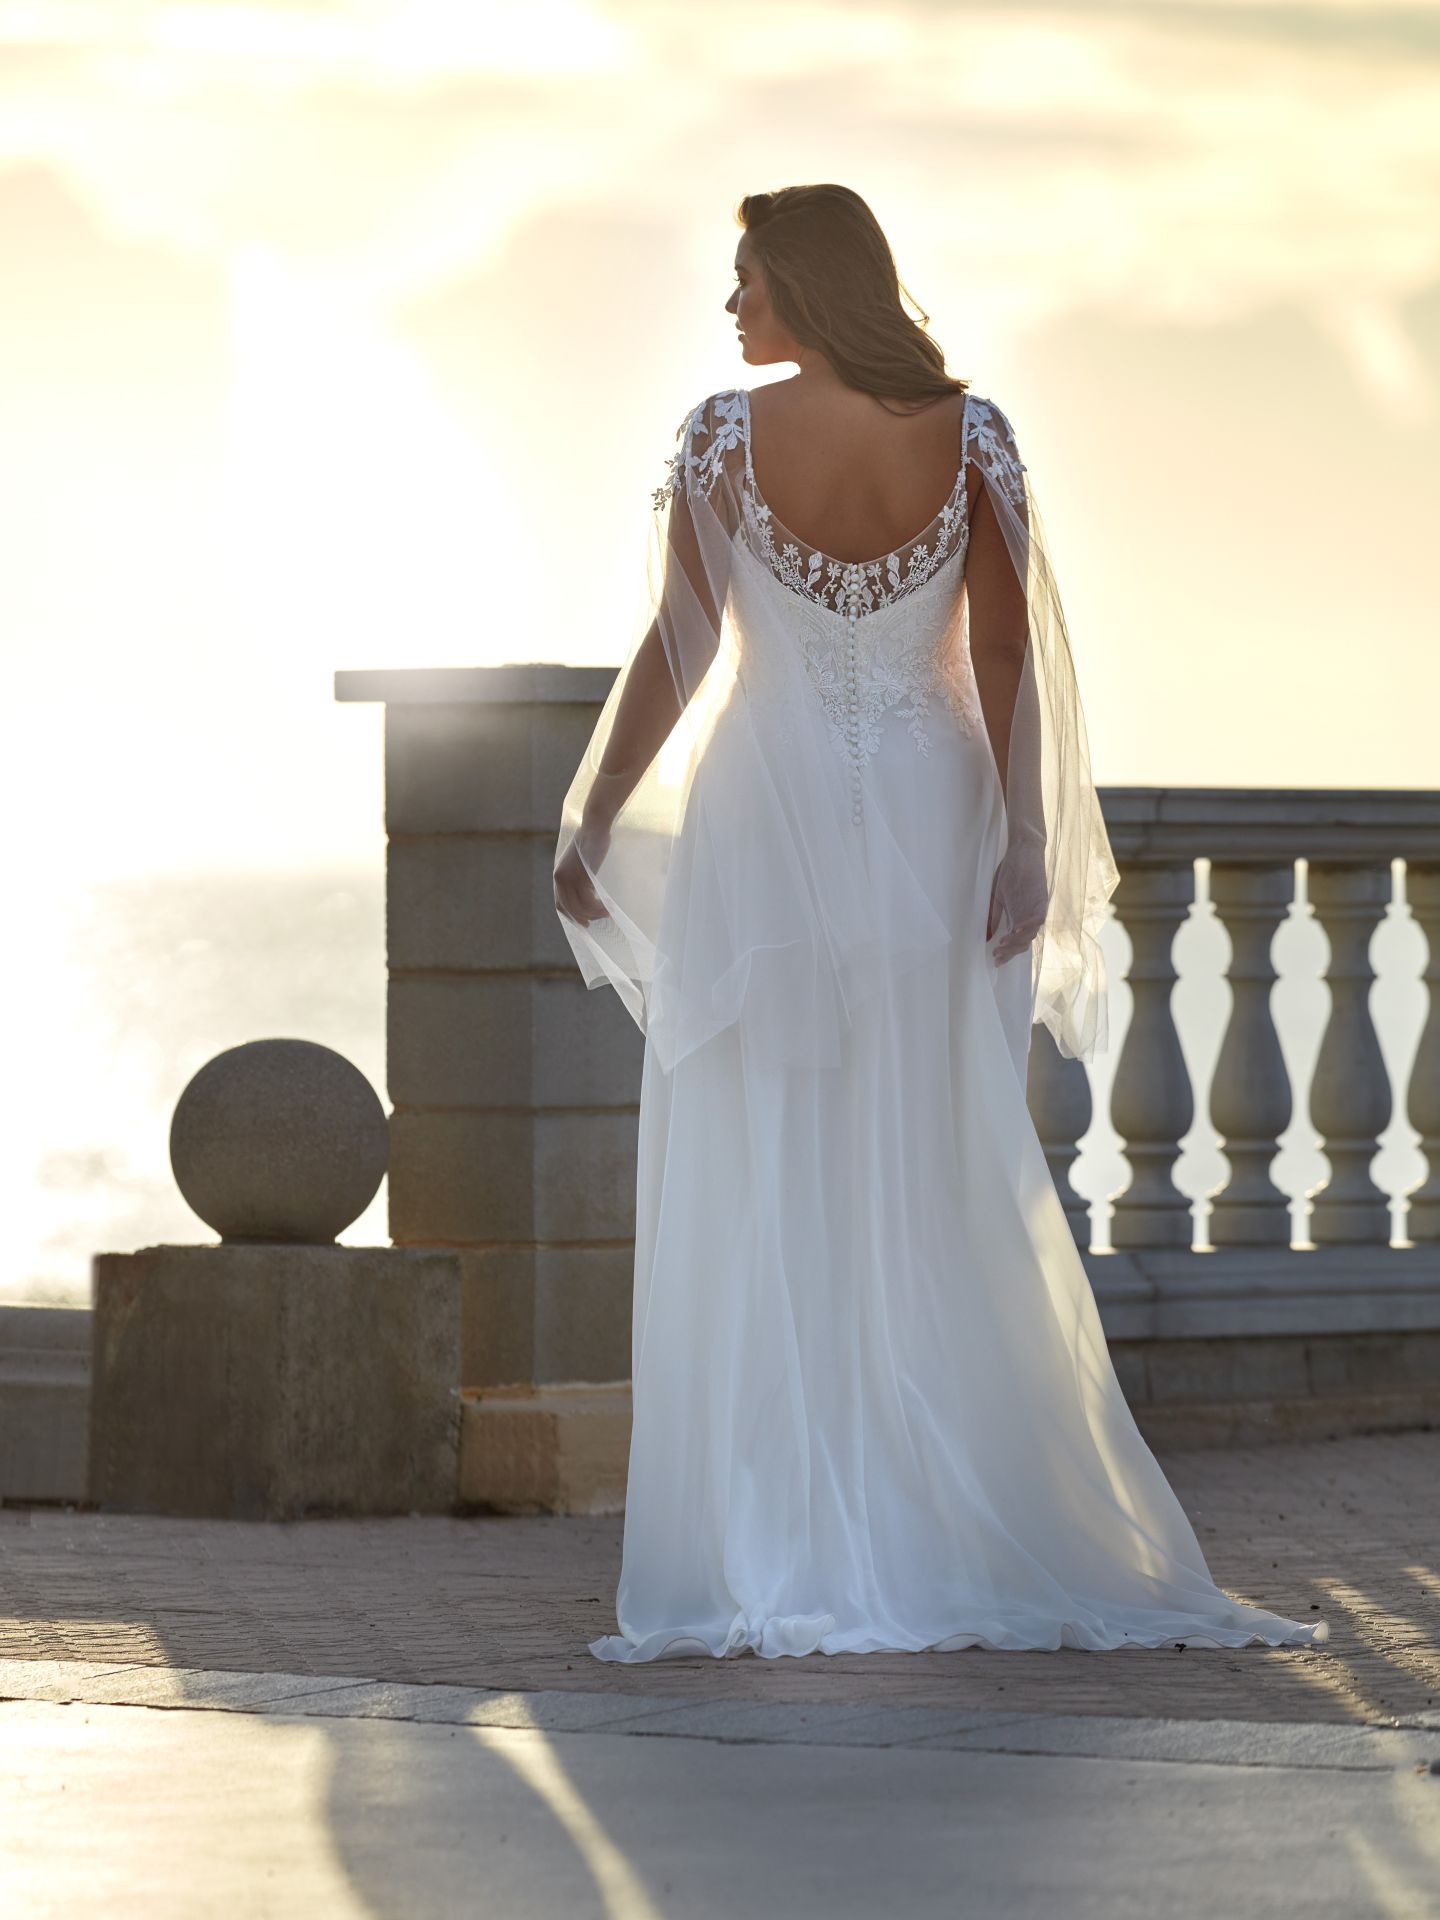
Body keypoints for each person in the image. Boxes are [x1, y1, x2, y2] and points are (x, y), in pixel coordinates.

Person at [552, 184, 1328, 1662]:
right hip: (929, 804)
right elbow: (1000, 649)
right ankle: (936, 1512)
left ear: (808, 285)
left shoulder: (725, 435)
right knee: (931, 1154)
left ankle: (798, 1527)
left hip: (765, 807)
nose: (731, 307)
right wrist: (1025, 839)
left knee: (781, 1150)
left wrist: (597, 810)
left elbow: (684, 642)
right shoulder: (972, 437)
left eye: (749, 280)